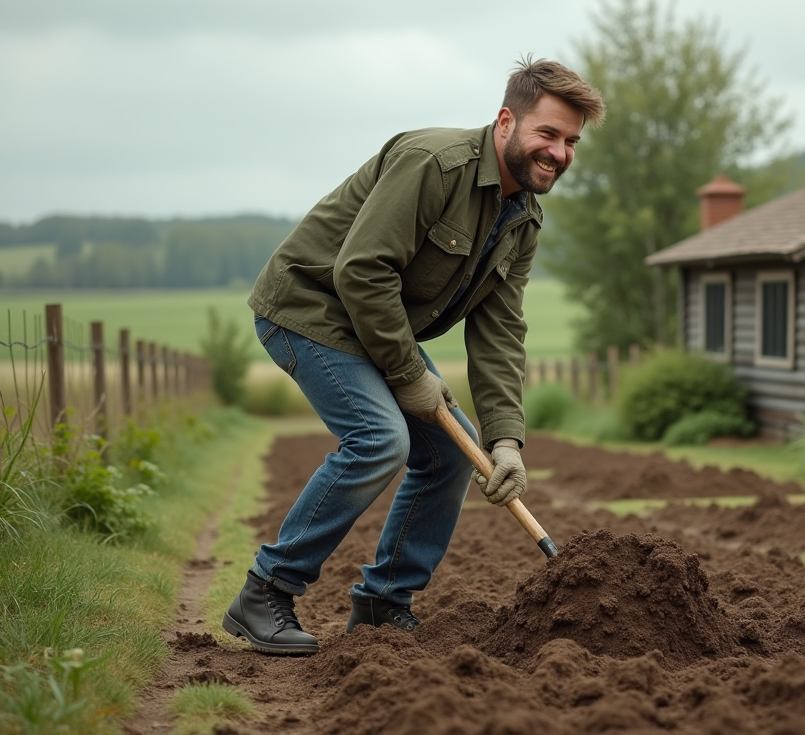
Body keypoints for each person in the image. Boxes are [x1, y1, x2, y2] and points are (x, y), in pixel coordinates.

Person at [221, 57, 605, 655]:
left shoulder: (523, 218)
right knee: (380, 439)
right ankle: (266, 591)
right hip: (311, 307)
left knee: (454, 453)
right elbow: (362, 270)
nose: (559, 152)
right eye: (548, 134)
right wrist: (407, 375)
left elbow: (500, 331)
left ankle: (382, 604)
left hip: (375, 325)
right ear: (506, 122)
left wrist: (506, 441)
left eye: (572, 141)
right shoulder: (434, 164)